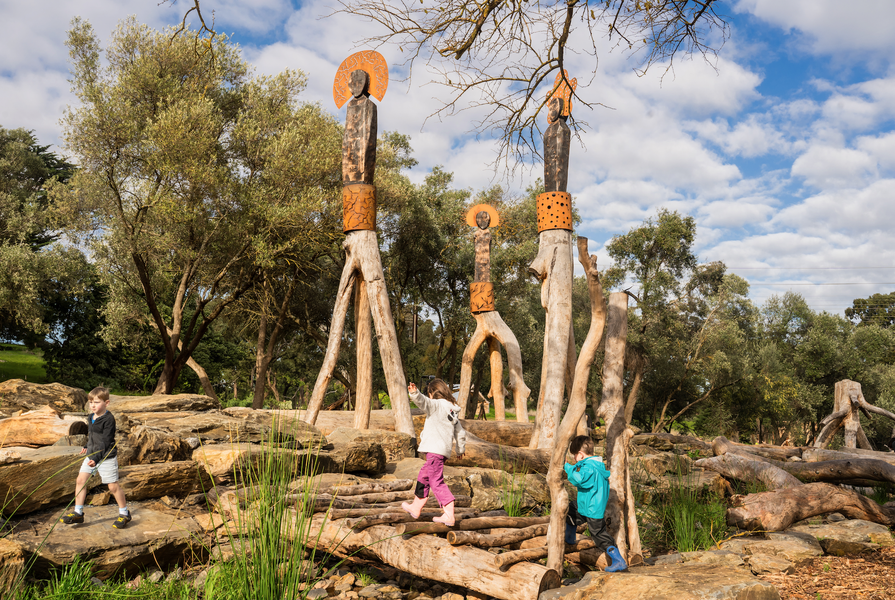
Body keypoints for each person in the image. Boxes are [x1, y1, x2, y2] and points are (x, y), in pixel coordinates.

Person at [60, 386, 131, 529]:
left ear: (107, 403)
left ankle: (124, 513)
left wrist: (97, 458)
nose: (93, 405)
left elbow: (105, 441)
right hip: (92, 454)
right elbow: (93, 436)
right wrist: (87, 446)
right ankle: (78, 513)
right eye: (91, 402)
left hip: (105, 457)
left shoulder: (108, 419)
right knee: (80, 480)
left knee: (113, 486)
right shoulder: (91, 417)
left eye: (97, 402)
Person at [401, 379, 467, 526]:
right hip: (442, 452)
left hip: (434, 451)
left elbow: (424, 402)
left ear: (433, 393)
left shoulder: (436, 405)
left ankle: (449, 514)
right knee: (424, 476)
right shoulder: (452, 410)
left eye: (429, 393)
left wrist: (414, 393)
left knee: (436, 481)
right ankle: (416, 507)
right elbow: (460, 432)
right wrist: (460, 449)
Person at [563, 434, 627, 572]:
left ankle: (618, 561)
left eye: (574, 455)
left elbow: (578, 479)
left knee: (599, 536)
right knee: (571, 510)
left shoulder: (590, 468)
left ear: (580, 454)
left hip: (592, 509)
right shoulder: (596, 465)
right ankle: (569, 538)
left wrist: (568, 467)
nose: (574, 458)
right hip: (586, 507)